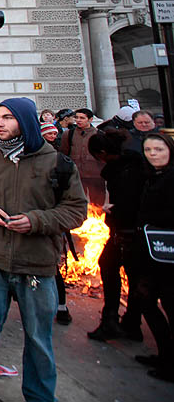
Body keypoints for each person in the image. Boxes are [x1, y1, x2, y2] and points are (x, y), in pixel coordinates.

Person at [0, 97, 87, 402]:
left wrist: (36, 221)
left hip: (36, 262)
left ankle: (40, 396)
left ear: (25, 121)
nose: (0, 123)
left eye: (8, 118)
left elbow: (76, 209)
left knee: (39, 339)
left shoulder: (57, 162)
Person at [87, 129, 146, 342]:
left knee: (118, 271)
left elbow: (131, 201)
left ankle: (119, 321)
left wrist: (113, 209)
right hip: (125, 230)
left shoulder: (126, 170)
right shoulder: (128, 165)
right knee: (116, 270)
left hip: (128, 231)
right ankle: (128, 321)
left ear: (103, 152)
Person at [130, 133, 174, 381]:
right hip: (150, 251)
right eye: (148, 150)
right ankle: (165, 354)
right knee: (146, 301)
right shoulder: (150, 177)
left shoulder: (170, 178)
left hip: (168, 252)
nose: (153, 154)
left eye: (158, 149)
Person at [60, 107, 106, 206]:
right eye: (76, 117)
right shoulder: (69, 134)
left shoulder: (100, 135)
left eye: (82, 118)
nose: (78, 120)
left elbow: (104, 157)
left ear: (90, 119)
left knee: (97, 205)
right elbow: (64, 154)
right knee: (78, 202)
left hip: (96, 176)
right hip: (77, 175)